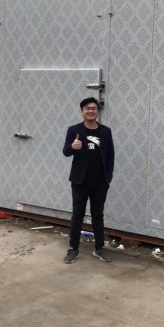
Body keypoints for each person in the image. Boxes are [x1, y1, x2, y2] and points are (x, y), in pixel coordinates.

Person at [62, 97, 115, 264]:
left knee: (97, 215)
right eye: (87, 108)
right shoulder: (74, 130)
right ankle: (73, 249)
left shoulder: (106, 132)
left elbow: (110, 156)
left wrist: (108, 177)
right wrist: (72, 147)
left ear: (97, 111)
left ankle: (99, 248)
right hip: (80, 181)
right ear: (82, 111)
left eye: (94, 108)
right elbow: (65, 152)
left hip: (100, 182)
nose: (91, 111)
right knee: (77, 214)